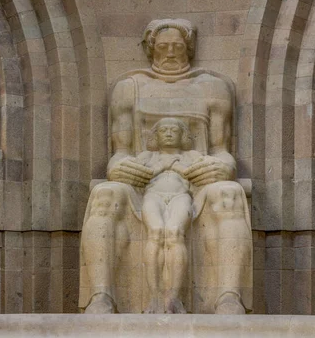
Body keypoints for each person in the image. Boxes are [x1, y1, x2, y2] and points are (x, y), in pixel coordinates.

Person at [80, 18, 252, 314]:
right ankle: (101, 296)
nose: (170, 53)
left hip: (193, 182)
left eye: (177, 47)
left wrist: (223, 168)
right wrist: (119, 168)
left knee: (229, 193)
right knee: (105, 195)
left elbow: (222, 152)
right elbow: (120, 153)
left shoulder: (213, 88)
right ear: (150, 49)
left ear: (189, 48)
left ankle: (228, 296)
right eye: (163, 47)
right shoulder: (128, 88)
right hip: (142, 182)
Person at [135, 117, 201, 313]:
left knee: (174, 232)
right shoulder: (147, 156)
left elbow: (200, 173)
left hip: (181, 196)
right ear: (156, 135)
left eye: (174, 130)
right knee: (155, 231)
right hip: (153, 196)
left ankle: (174, 296)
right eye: (164, 130)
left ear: (183, 136)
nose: (169, 134)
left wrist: (176, 166)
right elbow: (135, 174)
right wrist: (163, 166)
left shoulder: (192, 155)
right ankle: (154, 296)